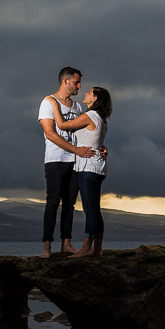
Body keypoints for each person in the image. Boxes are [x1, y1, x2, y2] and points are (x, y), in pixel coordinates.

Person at [39, 67, 97, 259]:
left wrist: (100, 148)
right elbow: (50, 133)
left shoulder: (78, 107)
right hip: (56, 159)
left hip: (75, 161)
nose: (79, 86)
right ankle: (47, 247)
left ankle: (66, 244)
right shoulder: (48, 103)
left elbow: (86, 134)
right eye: (76, 82)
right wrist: (75, 150)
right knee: (53, 202)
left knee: (69, 204)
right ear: (65, 81)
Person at [48, 86, 112, 257]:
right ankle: (97, 248)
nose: (86, 94)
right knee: (95, 210)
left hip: (88, 167)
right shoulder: (101, 118)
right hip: (98, 167)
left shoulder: (89, 115)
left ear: (95, 100)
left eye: (90, 93)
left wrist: (53, 103)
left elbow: (62, 125)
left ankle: (85, 248)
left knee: (90, 210)